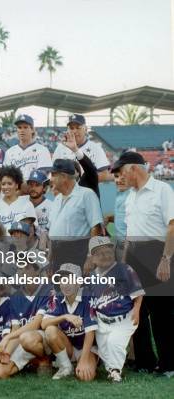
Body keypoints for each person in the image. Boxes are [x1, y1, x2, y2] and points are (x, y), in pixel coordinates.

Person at [114, 151, 173, 377]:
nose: (120, 177)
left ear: (133, 168)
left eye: (122, 171)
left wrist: (166, 259)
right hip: (135, 258)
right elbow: (129, 234)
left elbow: (172, 226)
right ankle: (146, 361)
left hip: (158, 255)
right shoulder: (131, 196)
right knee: (136, 311)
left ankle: (168, 364)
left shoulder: (162, 191)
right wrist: (125, 264)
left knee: (162, 313)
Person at [86, 236, 145, 382]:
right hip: (102, 320)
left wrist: (137, 310)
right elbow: (91, 302)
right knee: (105, 349)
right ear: (92, 258)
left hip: (124, 317)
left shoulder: (124, 269)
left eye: (108, 252)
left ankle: (115, 372)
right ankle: (111, 368)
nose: (105, 256)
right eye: (99, 253)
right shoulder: (92, 277)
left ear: (113, 253)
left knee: (114, 342)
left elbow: (138, 293)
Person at [0, 263, 55, 379]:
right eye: (20, 268)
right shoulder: (16, 296)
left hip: (44, 339)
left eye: (27, 267)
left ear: (37, 271)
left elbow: (36, 324)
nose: (22, 271)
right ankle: (31, 362)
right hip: (23, 339)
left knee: (28, 338)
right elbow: (16, 328)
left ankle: (44, 360)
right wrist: (5, 353)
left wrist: (7, 338)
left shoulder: (48, 289)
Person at [41, 263, 98, 381]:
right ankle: (65, 366)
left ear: (79, 282)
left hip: (87, 347)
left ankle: (82, 362)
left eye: (70, 280)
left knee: (85, 377)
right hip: (68, 347)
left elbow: (90, 332)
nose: (65, 284)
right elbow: (43, 324)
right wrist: (65, 316)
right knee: (50, 330)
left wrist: (83, 360)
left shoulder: (88, 296)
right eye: (62, 280)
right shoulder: (57, 297)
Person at [48, 159, 103, 269]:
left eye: (53, 175)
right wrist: (50, 258)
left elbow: (96, 227)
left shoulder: (86, 194)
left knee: (77, 286)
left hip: (77, 253)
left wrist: (90, 256)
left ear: (63, 177)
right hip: (57, 253)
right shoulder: (57, 199)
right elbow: (52, 230)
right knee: (59, 286)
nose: (50, 179)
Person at [52, 114, 111, 182]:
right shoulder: (60, 148)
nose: (74, 131)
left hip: (87, 191)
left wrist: (82, 181)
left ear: (85, 129)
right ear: (67, 130)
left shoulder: (96, 148)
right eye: (71, 128)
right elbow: (53, 172)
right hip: (65, 190)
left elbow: (104, 174)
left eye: (78, 128)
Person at [3, 114, 52, 182]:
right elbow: (6, 176)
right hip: (16, 189)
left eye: (25, 127)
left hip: (34, 189)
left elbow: (43, 173)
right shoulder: (9, 152)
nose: (22, 130)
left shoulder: (42, 150)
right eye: (19, 127)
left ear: (32, 130)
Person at [0, 166, 36, 232]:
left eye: (9, 184)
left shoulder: (27, 204)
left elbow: (33, 230)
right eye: (3, 184)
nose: (6, 187)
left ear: (16, 185)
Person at [26, 170, 52, 236]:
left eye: (37, 185)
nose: (33, 188)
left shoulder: (52, 206)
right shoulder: (21, 202)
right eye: (31, 185)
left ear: (44, 188)